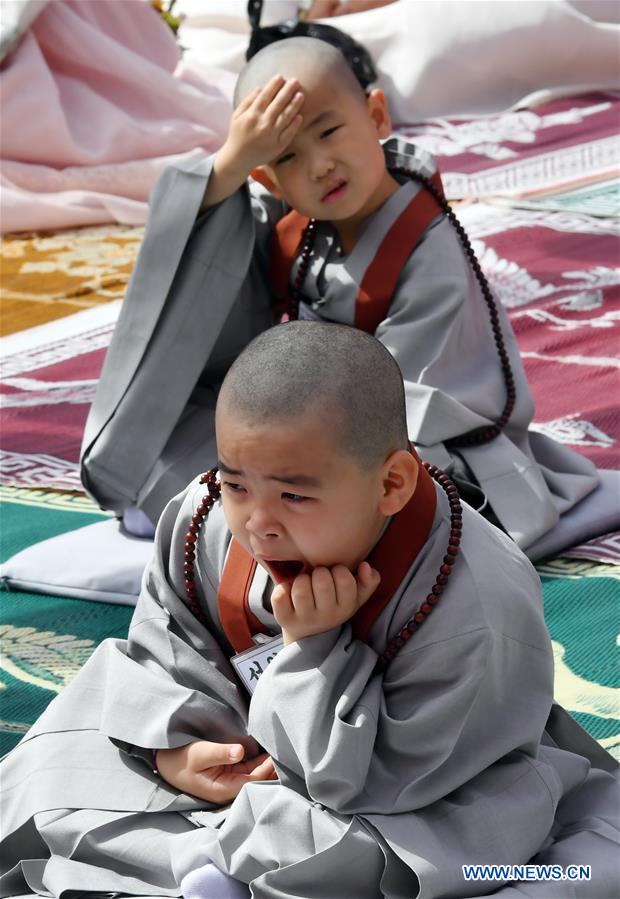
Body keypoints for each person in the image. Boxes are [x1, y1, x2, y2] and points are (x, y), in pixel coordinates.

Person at [2, 322, 618, 899]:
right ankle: (216, 866)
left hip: (413, 791)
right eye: (235, 482)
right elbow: (167, 643)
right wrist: (180, 752)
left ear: (391, 484)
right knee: (54, 759)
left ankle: (199, 866)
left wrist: (314, 649)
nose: (258, 523)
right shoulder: (203, 520)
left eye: (295, 494)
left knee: (459, 852)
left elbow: (379, 782)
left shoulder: (477, 597)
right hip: (239, 760)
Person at [80, 36, 599, 552]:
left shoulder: (426, 246)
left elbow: (415, 398)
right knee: (166, 432)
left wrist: (306, 433)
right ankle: (243, 507)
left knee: (393, 491)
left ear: (377, 117)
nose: (320, 164)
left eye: (329, 131)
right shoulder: (295, 223)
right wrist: (231, 162)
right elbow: (191, 267)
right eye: (288, 156)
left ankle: (242, 513)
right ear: (268, 177)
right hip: (307, 422)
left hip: (398, 433)